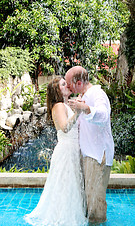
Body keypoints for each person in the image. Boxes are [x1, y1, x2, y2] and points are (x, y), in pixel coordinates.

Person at [24, 76, 88, 226]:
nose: (68, 86)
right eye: (64, 84)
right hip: (66, 151)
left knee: (70, 184)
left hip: (72, 149)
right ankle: (64, 217)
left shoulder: (65, 105)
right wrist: (78, 112)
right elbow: (65, 127)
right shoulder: (59, 105)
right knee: (65, 185)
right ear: (58, 90)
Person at [65, 66, 114, 224]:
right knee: (88, 199)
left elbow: (104, 115)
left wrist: (85, 108)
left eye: (69, 83)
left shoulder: (97, 94)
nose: (68, 87)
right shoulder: (82, 95)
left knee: (95, 203)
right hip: (87, 153)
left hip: (97, 154)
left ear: (78, 82)